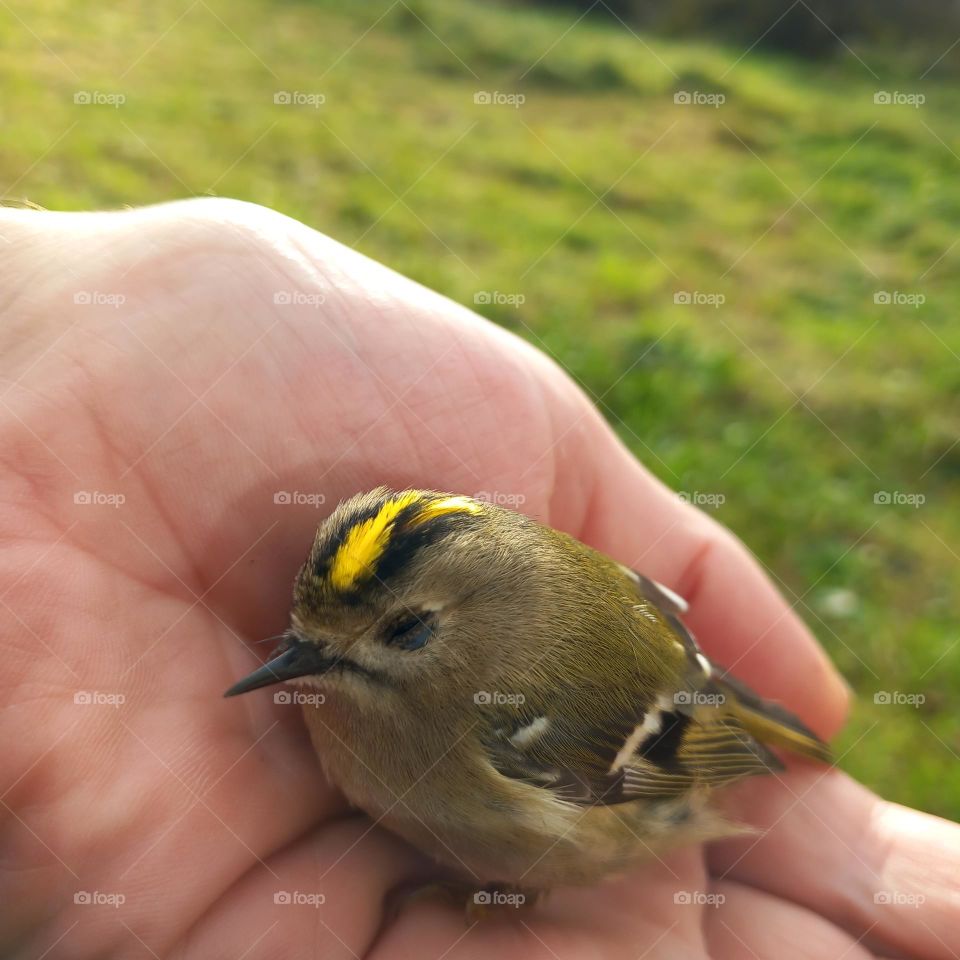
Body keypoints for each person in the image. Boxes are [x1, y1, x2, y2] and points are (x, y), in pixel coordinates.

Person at [0, 198, 955, 959]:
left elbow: (680, 729)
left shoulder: (519, 717)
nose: (301, 661)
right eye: (313, 625)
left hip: (667, 719)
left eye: (403, 634)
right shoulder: (373, 669)